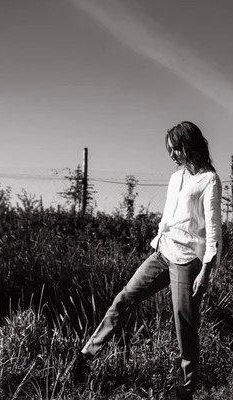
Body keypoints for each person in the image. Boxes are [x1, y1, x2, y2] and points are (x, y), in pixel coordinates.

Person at [80, 121, 222, 399]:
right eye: (169, 150)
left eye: (175, 149)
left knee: (186, 328)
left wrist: (206, 268)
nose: (171, 155)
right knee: (124, 298)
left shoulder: (209, 180)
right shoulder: (175, 177)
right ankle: (85, 356)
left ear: (188, 146)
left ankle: (185, 392)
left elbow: (214, 227)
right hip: (162, 253)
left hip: (187, 261)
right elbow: (169, 216)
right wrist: (158, 239)